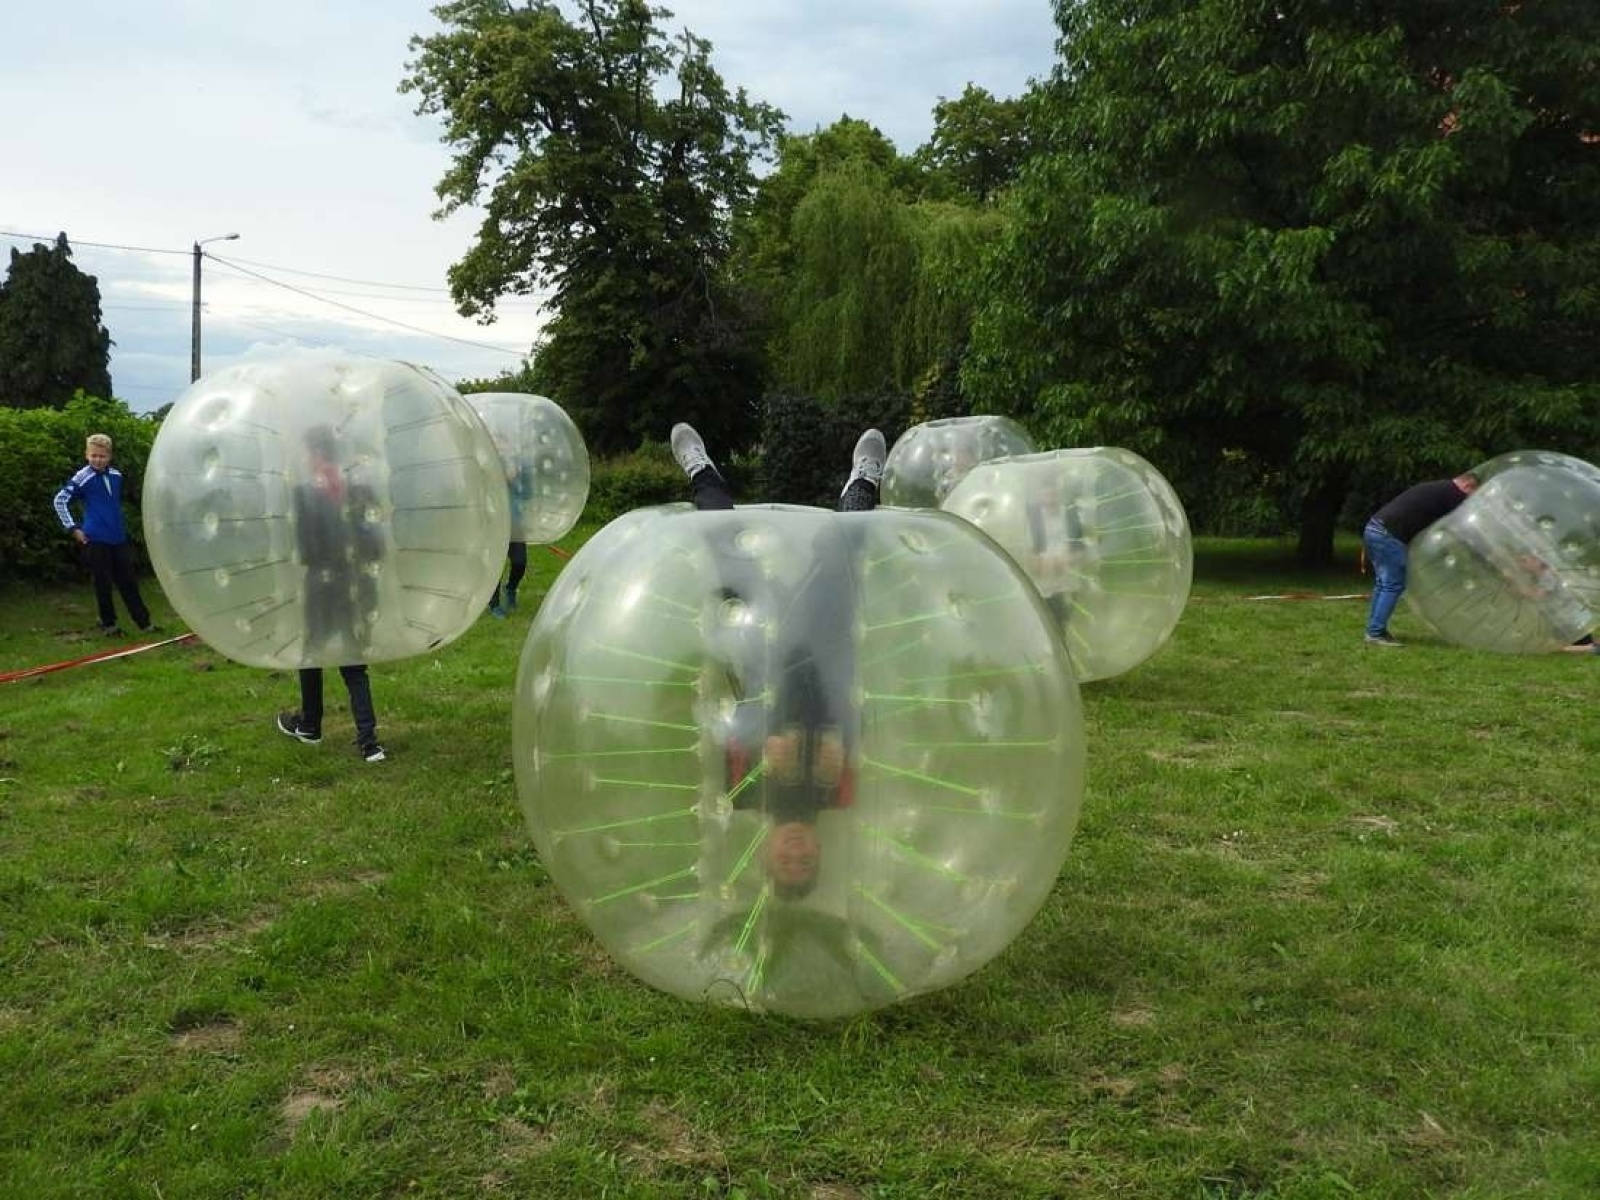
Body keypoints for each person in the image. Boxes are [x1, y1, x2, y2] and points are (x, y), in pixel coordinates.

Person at [670, 422, 885, 899]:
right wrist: (843, 739)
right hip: (823, 643)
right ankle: (863, 485)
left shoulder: (742, 794)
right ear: (819, 852)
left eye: (785, 862)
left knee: (727, 552)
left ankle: (703, 474)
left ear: (765, 855)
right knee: (841, 551)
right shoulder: (840, 794)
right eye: (804, 860)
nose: (795, 850)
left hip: (758, 646)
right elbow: (860, 707)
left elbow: (725, 715)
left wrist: (760, 739)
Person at [275, 425, 387, 763]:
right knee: (354, 665)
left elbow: (305, 551)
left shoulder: (304, 494)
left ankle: (310, 726)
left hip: (322, 586)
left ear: (314, 452)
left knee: (312, 654)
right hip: (358, 585)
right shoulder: (361, 489)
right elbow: (376, 546)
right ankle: (369, 744)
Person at [53, 433, 159, 637]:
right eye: (93, 455)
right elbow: (60, 500)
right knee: (103, 583)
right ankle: (109, 625)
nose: (97, 460)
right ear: (86, 454)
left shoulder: (117, 476)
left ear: (109, 456)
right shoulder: (83, 477)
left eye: (102, 456)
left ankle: (145, 624)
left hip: (117, 537)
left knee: (128, 582)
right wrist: (73, 528)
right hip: (95, 539)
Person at [1362, 471, 1479, 647]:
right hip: (1388, 535)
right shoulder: (1454, 495)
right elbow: (1459, 527)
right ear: (1467, 486)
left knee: (1384, 583)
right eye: (1472, 494)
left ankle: (1375, 629)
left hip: (1374, 529)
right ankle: (1375, 633)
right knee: (1394, 584)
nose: (1469, 499)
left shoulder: (1439, 487)